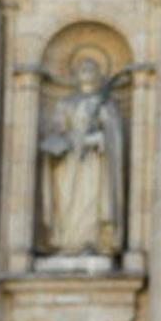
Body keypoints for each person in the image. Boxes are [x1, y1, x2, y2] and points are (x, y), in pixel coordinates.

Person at [39, 57, 125, 256]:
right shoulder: (66, 103)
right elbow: (56, 130)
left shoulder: (106, 104)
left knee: (91, 198)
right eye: (82, 68)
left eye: (91, 67)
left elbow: (114, 135)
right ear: (75, 75)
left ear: (99, 74)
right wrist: (76, 140)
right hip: (69, 164)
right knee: (68, 202)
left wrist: (102, 135)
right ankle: (68, 243)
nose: (86, 71)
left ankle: (91, 241)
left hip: (94, 164)